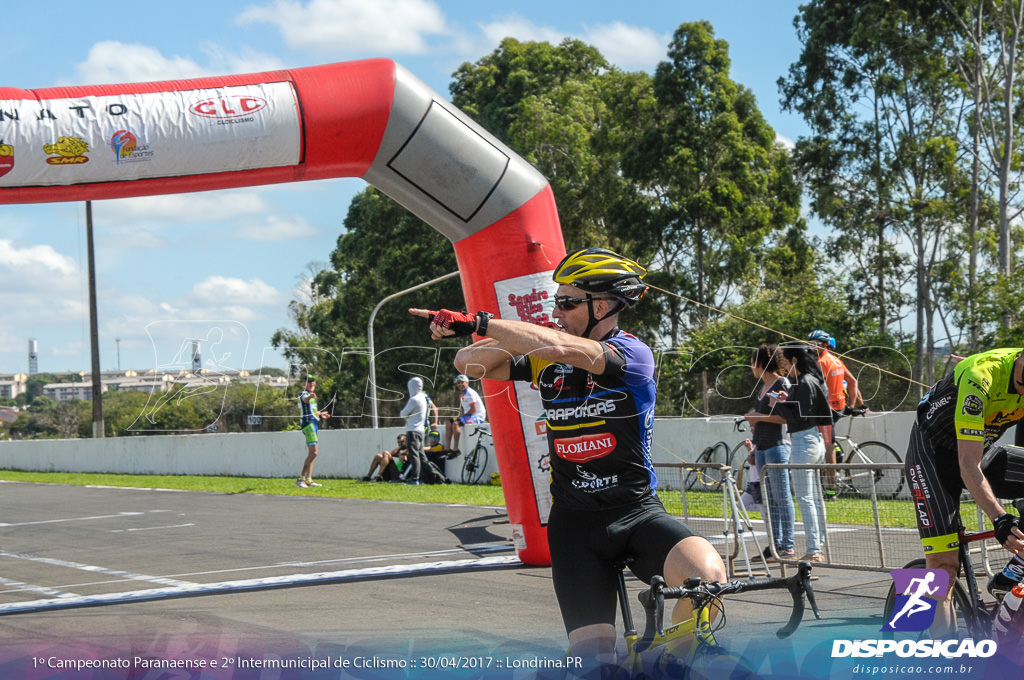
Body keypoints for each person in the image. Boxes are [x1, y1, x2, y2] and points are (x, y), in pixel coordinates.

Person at [410, 247, 727, 666]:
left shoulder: (633, 354)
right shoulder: (546, 359)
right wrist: (512, 332)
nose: (555, 311)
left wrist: (482, 321)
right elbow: (469, 362)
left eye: (566, 302)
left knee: (707, 580)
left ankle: (672, 666)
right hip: (574, 526)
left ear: (603, 306)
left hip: (635, 513)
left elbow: (568, 350)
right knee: (596, 665)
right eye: (553, 301)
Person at [905, 347, 1024, 635]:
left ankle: (1012, 573)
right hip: (932, 454)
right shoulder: (980, 375)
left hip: (978, 447)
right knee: (944, 567)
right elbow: (967, 464)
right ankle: (937, 658)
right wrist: (999, 518)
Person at [773, 344, 832, 562]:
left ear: (794, 361)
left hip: (803, 441)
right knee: (814, 498)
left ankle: (814, 549)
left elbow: (800, 415)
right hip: (813, 439)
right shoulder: (810, 380)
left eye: (787, 363)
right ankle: (817, 545)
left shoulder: (805, 381)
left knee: (806, 498)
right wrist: (786, 400)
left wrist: (780, 404)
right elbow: (803, 409)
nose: (785, 367)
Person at [743, 343, 795, 561]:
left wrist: (758, 417)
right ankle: (774, 544)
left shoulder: (781, 383)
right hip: (763, 446)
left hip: (777, 445)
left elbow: (784, 417)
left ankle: (787, 546)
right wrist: (754, 446)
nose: (751, 367)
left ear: (761, 364)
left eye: (753, 362)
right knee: (769, 499)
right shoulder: (763, 387)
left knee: (781, 496)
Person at [807, 329, 863, 499]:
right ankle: (837, 452)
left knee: (828, 447)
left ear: (825, 345)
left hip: (827, 410)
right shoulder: (836, 360)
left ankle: (831, 490)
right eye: (809, 343)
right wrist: (852, 405)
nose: (811, 346)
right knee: (830, 442)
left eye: (815, 343)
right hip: (839, 407)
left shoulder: (820, 363)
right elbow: (853, 381)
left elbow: (815, 389)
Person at [296, 375, 330, 488]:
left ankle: (309, 479)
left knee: (312, 454)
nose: (311, 384)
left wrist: (320, 414)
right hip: (309, 425)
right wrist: (310, 396)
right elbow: (305, 400)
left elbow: (311, 410)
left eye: (312, 382)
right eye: (308, 382)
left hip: (313, 424)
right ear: (304, 384)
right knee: (314, 453)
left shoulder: (312, 396)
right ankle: (301, 479)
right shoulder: (304, 394)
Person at [399, 376, 430, 484]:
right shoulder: (423, 397)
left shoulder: (414, 399)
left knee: (414, 455)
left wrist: (406, 415)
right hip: (421, 431)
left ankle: (415, 478)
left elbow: (403, 414)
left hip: (413, 430)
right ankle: (426, 477)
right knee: (421, 455)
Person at [446, 374, 486, 454]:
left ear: (467, 383)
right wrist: (462, 415)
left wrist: (463, 415)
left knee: (455, 423)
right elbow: (467, 409)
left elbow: (474, 409)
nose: (460, 384)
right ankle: (447, 449)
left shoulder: (469, 393)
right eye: (458, 383)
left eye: (462, 382)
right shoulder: (462, 394)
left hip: (477, 417)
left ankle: (455, 449)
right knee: (449, 423)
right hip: (470, 416)